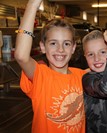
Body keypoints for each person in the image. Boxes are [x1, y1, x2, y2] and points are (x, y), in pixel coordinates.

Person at [14, 0, 86, 132]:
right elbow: (21, 56)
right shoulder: (40, 76)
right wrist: (32, 6)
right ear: (43, 47)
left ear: (73, 48)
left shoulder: (82, 76)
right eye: (53, 43)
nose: (60, 49)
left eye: (66, 44)